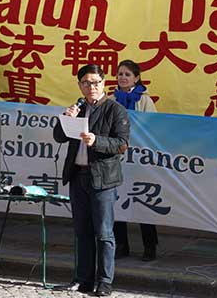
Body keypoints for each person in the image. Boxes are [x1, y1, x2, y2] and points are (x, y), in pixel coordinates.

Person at [53, 64, 130, 297]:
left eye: (96, 82)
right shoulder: (78, 107)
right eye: (86, 83)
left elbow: (122, 144)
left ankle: (105, 282)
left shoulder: (115, 110)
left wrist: (96, 141)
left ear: (104, 83)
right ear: (80, 85)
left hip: (103, 179)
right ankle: (83, 279)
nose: (92, 87)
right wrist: (65, 119)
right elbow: (58, 137)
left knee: (104, 232)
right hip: (78, 176)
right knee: (82, 231)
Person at [111, 59, 158, 261]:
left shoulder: (145, 100)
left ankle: (150, 246)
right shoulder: (110, 99)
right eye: (120, 74)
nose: (123, 77)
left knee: (143, 201)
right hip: (116, 157)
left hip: (139, 158)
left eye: (127, 74)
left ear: (136, 78)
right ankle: (121, 245)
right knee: (117, 201)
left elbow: (154, 127)